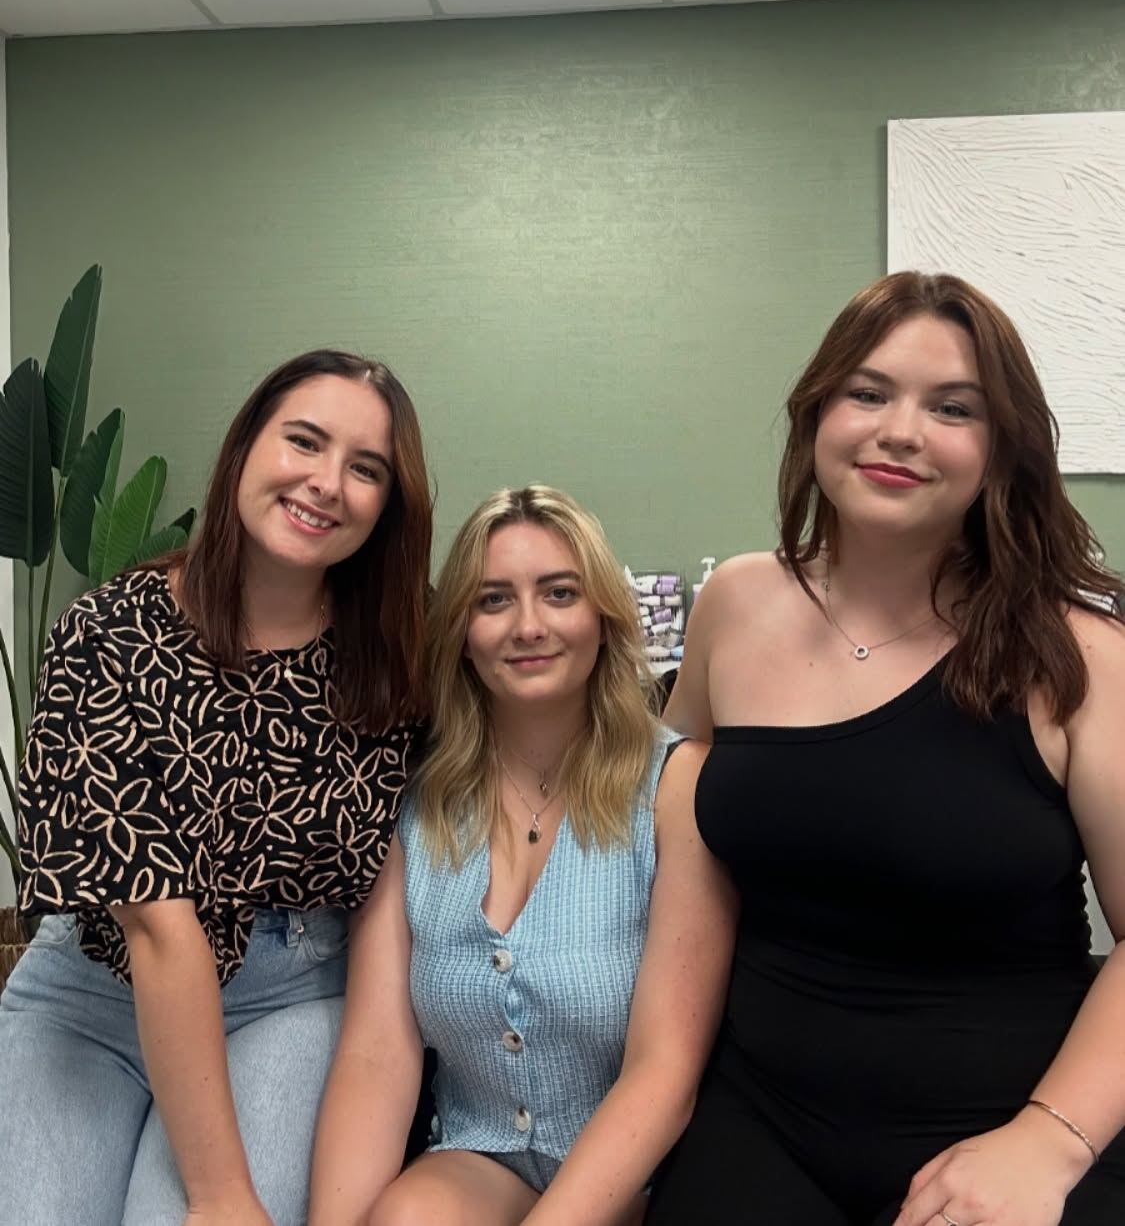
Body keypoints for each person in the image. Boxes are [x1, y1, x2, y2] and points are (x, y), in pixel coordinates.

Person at [646, 271, 1125, 1226]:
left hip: (1010, 1131)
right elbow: (684, 797)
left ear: (1001, 451)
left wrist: (1046, 1143)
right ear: (815, 413)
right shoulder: (735, 605)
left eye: (952, 408)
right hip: (761, 1124)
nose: (899, 430)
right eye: (866, 393)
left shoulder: (1079, 655)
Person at [0, 349, 433, 1226]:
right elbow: (158, 925)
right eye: (303, 442)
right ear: (244, 448)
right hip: (93, 990)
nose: (325, 484)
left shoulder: (397, 651)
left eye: (365, 469)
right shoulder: (110, 629)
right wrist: (221, 1195)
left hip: (285, 998)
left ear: (387, 505)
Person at [309, 484, 737, 1226]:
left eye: (559, 594)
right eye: (493, 600)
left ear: (603, 618)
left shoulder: (676, 787)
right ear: (462, 634)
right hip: (480, 1158)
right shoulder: (416, 804)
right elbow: (377, 1052)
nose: (528, 626)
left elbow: (665, 1074)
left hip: (649, 1175)